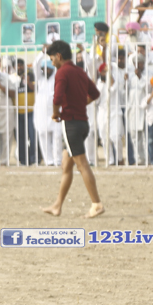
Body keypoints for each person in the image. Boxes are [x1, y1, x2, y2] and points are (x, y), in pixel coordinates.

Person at [41, 40, 104, 219]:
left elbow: (57, 98)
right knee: (66, 165)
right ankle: (57, 205)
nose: (52, 62)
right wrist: (80, 104)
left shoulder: (62, 72)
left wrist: (56, 113)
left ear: (58, 56)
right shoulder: (79, 71)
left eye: (52, 59)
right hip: (82, 122)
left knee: (82, 164)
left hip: (71, 124)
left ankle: (97, 204)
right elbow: (95, 94)